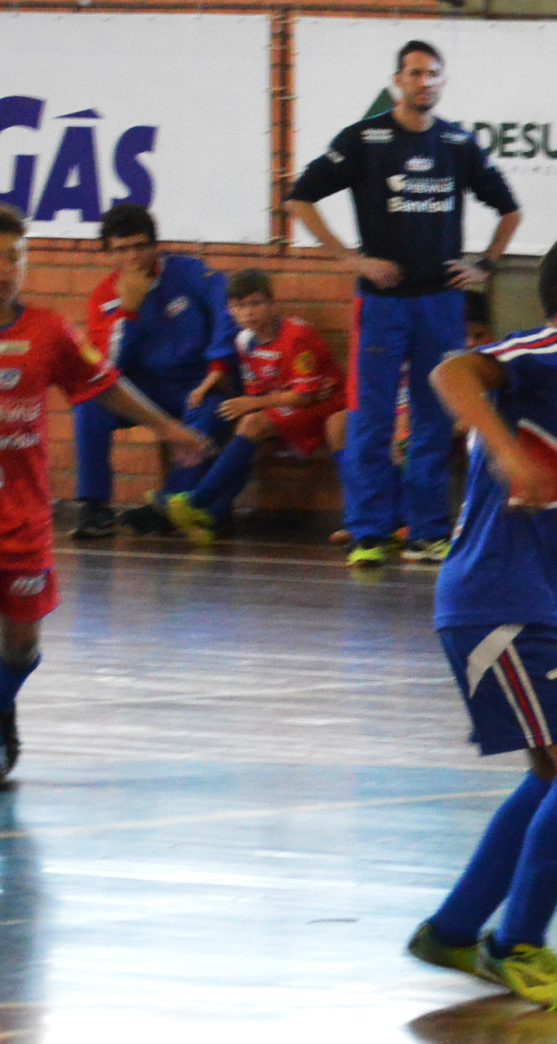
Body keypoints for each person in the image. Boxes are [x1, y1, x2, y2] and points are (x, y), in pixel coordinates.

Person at [404, 225, 557, 1010]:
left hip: (532, 600)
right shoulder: (547, 353)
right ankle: (519, 944)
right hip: (497, 604)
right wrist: (505, 452)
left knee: (553, 772)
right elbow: (452, 371)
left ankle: (453, 930)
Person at [286, 38, 523, 568]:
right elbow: (299, 198)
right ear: (398, 81)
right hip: (382, 303)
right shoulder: (365, 140)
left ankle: (427, 531)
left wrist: (484, 264)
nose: (424, 82)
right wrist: (351, 260)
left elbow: (509, 210)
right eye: (415, 73)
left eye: (433, 73)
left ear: (442, 81)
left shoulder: (458, 143)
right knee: (371, 418)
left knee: (435, 416)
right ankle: (370, 531)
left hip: (440, 304)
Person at [0, 206, 213, 776]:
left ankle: (2, 707)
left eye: (11, 258)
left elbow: (106, 385)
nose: (1, 270)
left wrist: (168, 429)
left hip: (22, 518)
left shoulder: (49, 332)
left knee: (20, 646)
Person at [72, 204, 234, 539]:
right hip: (144, 388)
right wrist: (127, 311)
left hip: (195, 383)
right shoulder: (104, 298)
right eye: (121, 249)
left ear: (154, 246)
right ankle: (94, 506)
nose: (132, 257)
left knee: (213, 413)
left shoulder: (187, 273)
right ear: (108, 254)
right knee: (90, 401)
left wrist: (218, 365)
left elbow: (226, 305)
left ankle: (170, 504)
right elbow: (108, 369)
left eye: (139, 246)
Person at [164, 269, 348, 541]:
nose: (249, 312)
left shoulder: (296, 335)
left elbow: (304, 396)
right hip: (290, 406)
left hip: (323, 405)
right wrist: (254, 403)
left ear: (272, 304)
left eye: (256, 303)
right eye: (240, 306)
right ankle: (210, 513)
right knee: (247, 433)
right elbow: (261, 390)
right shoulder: (244, 342)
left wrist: (253, 403)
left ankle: (196, 502)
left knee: (252, 423)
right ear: (230, 311)